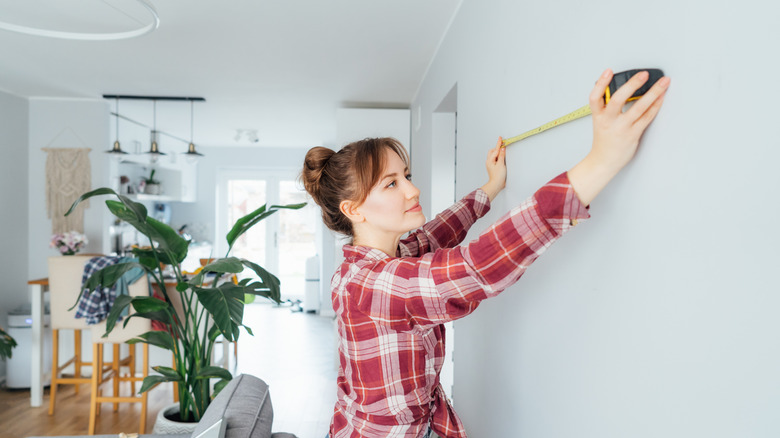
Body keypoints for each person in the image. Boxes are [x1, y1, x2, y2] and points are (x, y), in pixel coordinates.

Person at [301, 69, 670, 438]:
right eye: (392, 183)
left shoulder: (392, 255)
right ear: (353, 210)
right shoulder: (371, 284)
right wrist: (602, 161)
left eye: (407, 175)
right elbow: (476, 266)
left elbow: (439, 232)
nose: (413, 191)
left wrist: (490, 188)